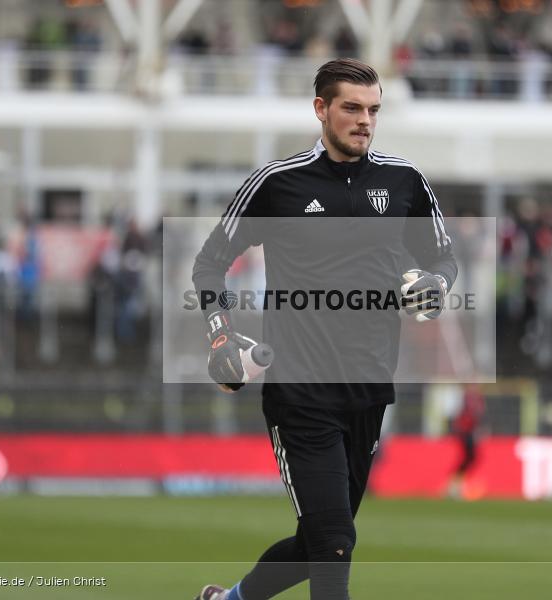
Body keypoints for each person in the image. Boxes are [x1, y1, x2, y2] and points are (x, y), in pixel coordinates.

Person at [191, 58, 456, 600]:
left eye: (374, 110)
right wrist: (220, 333)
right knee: (333, 543)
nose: (365, 120)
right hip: (299, 389)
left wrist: (435, 285)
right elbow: (209, 264)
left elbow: (444, 262)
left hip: (369, 389)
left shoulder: (404, 182)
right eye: (352, 108)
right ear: (321, 110)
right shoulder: (276, 183)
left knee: (323, 540)